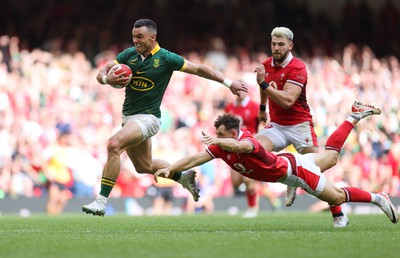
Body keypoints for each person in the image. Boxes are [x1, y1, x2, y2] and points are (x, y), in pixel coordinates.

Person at [82, 18, 248, 216]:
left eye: (140, 37)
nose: (136, 41)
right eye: (134, 36)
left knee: (114, 144)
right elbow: (103, 70)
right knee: (144, 166)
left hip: (149, 118)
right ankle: (183, 177)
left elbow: (198, 69)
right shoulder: (128, 55)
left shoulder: (167, 58)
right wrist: (106, 78)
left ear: (153, 37)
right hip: (129, 117)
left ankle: (101, 201)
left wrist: (229, 83)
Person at [154, 102, 399, 226]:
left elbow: (241, 148)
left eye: (220, 133)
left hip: (295, 171)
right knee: (331, 157)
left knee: (335, 197)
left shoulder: (246, 141)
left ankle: (379, 199)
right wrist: (171, 168)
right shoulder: (221, 147)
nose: (216, 137)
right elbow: (194, 158)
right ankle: (353, 115)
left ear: (232, 132)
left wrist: (218, 141)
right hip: (289, 163)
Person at [254, 27, 320, 212]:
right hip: (277, 125)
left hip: (300, 125)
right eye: (274, 44)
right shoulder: (266, 65)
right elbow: (264, 86)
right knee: (255, 151)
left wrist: (263, 83)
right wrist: (261, 107)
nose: (276, 48)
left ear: (290, 46)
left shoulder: (298, 67)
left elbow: (288, 101)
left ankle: (295, 179)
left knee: (318, 167)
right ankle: (291, 175)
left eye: (281, 44)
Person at [225, 91, 280, 218]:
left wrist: (258, 136)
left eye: (243, 90)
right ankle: (271, 198)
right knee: (236, 182)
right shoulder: (229, 107)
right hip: (234, 148)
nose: (240, 92)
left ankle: (252, 209)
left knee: (248, 178)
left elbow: (264, 122)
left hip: (249, 147)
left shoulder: (254, 106)